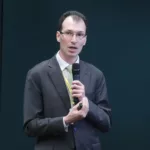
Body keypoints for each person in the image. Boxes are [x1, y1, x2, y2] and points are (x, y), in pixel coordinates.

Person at [23, 10, 112, 150]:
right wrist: (65, 121)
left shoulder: (96, 75)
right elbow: (30, 127)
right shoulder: (37, 74)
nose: (74, 40)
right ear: (58, 36)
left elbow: (106, 123)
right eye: (69, 33)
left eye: (79, 34)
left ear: (85, 40)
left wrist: (86, 102)